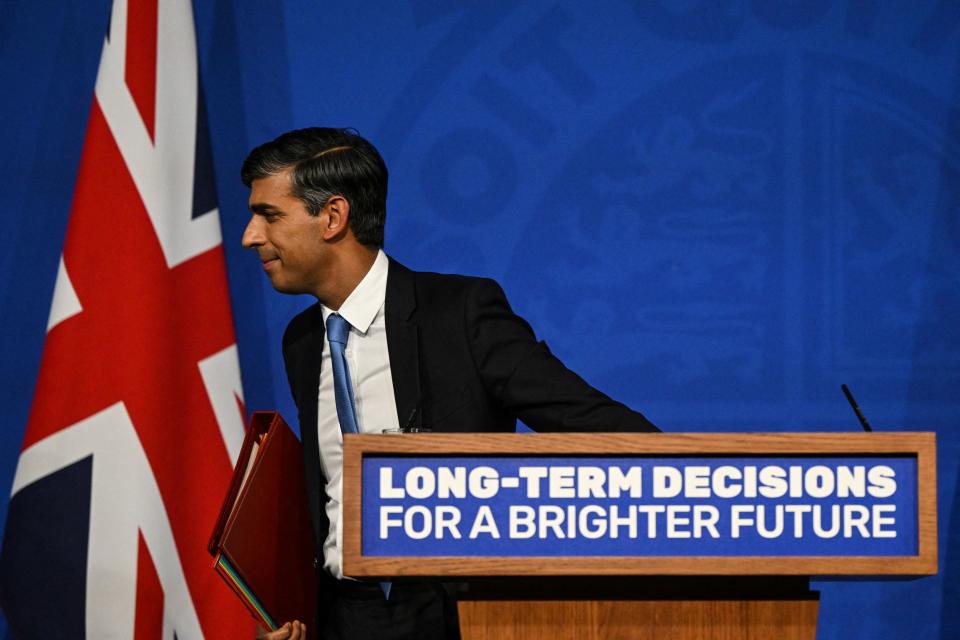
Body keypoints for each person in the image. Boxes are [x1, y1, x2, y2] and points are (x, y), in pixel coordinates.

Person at [240, 127, 659, 640]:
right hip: (348, 616)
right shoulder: (302, 341)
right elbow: (327, 499)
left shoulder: (458, 314)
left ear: (332, 217)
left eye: (270, 214)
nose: (251, 236)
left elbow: (598, 427)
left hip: (455, 614)